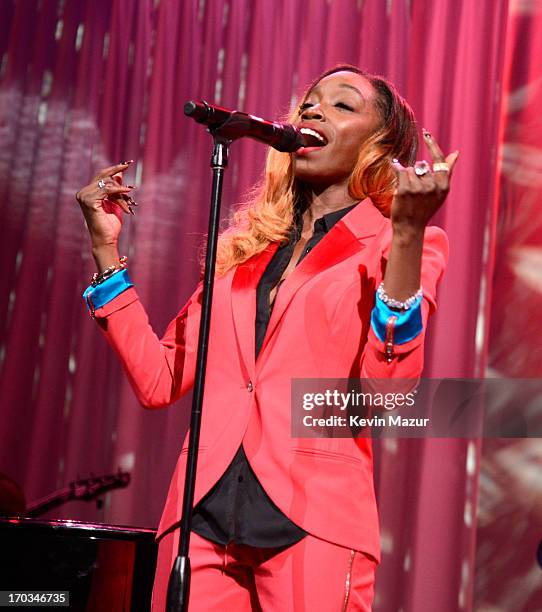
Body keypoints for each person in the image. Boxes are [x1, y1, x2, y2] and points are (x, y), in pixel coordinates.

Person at [76, 65, 457, 611]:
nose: (313, 112)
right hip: (201, 518)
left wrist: (408, 231)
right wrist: (105, 251)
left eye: (342, 106)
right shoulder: (244, 250)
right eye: (309, 103)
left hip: (313, 518)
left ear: (379, 146)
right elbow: (159, 380)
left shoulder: (401, 244)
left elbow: (387, 396)